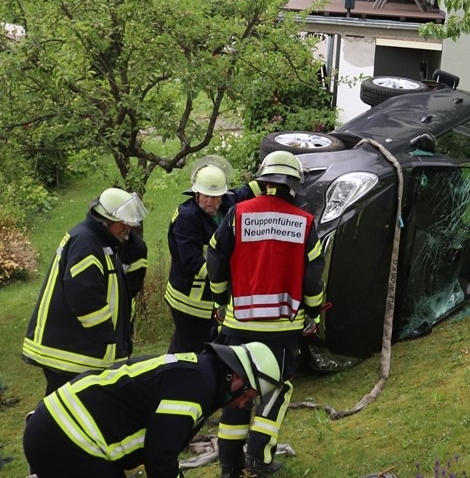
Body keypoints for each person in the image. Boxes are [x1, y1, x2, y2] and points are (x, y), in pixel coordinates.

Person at [207, 150, 326, 478]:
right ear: (293, 186)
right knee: (275, 388)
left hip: (238, 324)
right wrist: (313, 312)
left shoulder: (237, 215)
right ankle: (258, 458)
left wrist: (219, 301)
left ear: (264, 181)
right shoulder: (304, 223)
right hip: (281, 327)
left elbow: (215, 259)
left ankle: (229, 466)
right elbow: (314, 276)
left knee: (237, 388)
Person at [23, 341, 281, 478]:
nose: (244, 404)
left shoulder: (202, 374)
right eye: (249, 396)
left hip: (63, 432)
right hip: (64, 438)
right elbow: (159, 458)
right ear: (238, 377)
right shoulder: (196, 387)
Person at [22, 187, 149, 395]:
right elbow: (85, 298)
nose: (128, 227)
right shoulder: (86, 243)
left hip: (78, 350)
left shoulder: (101, 241)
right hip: (70, 355)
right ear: (105, 219)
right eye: (123, 223)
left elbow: (124, 288)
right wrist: (110, 340)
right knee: (64, 415)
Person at [165, 157, 261, 354]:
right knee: (189, 348)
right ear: (196, 193)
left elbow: (248, 191)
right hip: (189, 301)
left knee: (208, 344)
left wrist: (280, 172)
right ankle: (176, 379)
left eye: (215, 196)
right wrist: (229, 275)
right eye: (205, 196)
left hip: (211, 297)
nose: (210, 201)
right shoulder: (187, 218)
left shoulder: (226, 203)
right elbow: (193, 262)